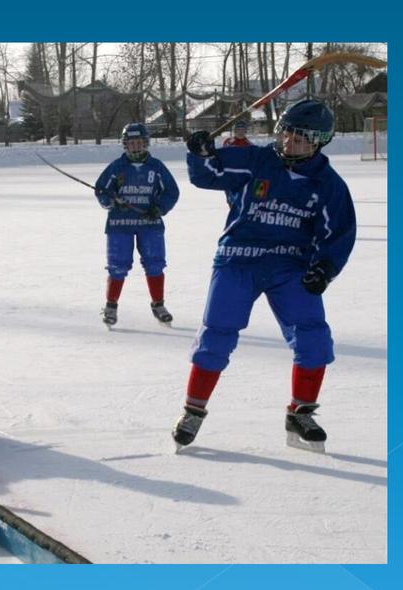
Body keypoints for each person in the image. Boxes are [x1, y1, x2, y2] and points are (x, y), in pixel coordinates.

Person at [176, 99, 356, 451]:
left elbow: (338, 234)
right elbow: (206, 174)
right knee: (217, 334)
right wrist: (199, 152)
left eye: (302, 137)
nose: (291, 142)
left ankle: (300, 412)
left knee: (314, 338)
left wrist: (325, 268)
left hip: (290, 267)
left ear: (319, 141)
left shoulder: (327, 183)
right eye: (287, 133)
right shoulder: (255, 160)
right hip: (237, 260)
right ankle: (193, 410)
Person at [93, 123, 180, 327]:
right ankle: (111, 306)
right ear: (125, 145)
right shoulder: (116, 167)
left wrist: (158, 208)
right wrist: (111, 201)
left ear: (146, 143)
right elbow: (101, 190)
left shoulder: (156, 167)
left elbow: (171, 192)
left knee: (155, 263)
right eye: (131, 143)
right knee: (117, 266)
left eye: (139, 142)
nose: (136, 147)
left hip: (150, 224)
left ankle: (158, 304)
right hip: (119, 224)